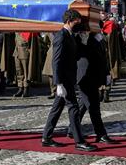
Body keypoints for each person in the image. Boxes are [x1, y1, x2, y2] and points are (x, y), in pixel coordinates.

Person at [41, 9, 97, 152]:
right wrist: (58, 83)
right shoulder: (61, 36)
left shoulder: (70, 35)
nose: (78, 24)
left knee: (57, 107)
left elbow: (75, 56)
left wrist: (83, 42)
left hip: (69, 78)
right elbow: (56, 61)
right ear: (68, 21)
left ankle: (46, 137)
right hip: (64, 80)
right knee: (73, 108)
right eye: (76, 21)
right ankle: (79, 141)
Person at [67, 31, 117, 144]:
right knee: (93, 106)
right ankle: (101, 134)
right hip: (83, 76)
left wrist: (107, 73)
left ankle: (71, 129)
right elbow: (77, 54)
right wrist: (83, 41)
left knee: (86, 104)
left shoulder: (97, 37)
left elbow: (103, 56)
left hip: (94, 76)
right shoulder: (78, 37)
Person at [99, 10, 122, 102]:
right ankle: (100, 91)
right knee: (99, 73)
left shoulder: (110, 24)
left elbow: (109, 40)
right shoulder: (97, 24)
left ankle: (106, 92)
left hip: (108, 53)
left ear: (107, 14)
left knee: (108, 74)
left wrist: (101, 34)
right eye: (100, 14)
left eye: (103, 13)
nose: (101, 15)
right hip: (99, 53)